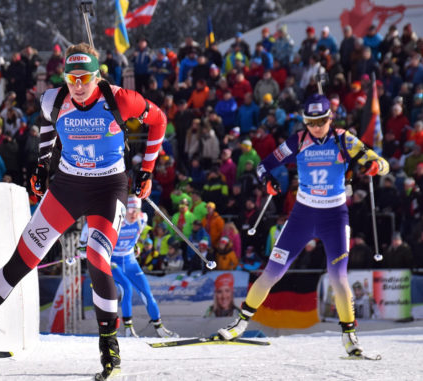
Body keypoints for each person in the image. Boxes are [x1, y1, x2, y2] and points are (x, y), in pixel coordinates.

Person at [0, 43, 167, 381]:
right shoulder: (53, 100)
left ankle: (109, 346)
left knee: (97, 256)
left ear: (97, 76)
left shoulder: (120, 99)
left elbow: (158, 121)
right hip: (67, 187)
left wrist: (147, 170)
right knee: (23, 259)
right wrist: (42, 164)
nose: (78, 85)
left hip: (108, 188)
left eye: (84, 78)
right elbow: (49, 125)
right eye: (71, 78)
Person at [217, 93, 389, 357]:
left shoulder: (344, 139)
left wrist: (375, 165)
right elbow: (264, 166)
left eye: (321, 121)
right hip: (302, 216)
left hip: (334, 217)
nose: (316, 127)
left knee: (338, 278)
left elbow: (383, 164)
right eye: (311, 122)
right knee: (271, 272)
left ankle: (350, 337)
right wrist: (268, 182)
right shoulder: (298, 140)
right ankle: (240, 324)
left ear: (329, 118)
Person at [79, 196, 177, 339]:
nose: (133, 214)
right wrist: (83, 246)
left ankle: (160, 328)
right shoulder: (116, 220)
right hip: (113, 261)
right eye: (130, 210)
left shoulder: (143, 219)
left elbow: (136, 235)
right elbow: (90, 225)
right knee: (126, 288)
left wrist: (135, 246)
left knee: (147, 294)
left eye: (136, 210)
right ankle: (128, 329)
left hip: (130, 260)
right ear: (124, 210)